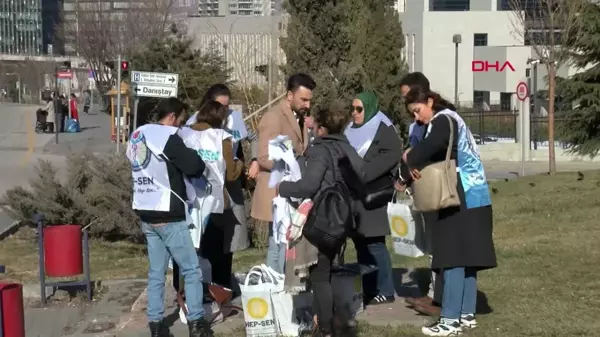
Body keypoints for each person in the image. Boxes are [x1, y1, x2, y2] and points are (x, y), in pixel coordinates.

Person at [401, 88, 497, 336]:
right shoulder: (455, 118)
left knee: (452, 255)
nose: (417, 118)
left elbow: (431, 146)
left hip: (458, 194)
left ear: (430, 102)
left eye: (418, 111)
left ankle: (450, 319)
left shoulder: (441, 120)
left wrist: (408, 159)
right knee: (467, 256)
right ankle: (466, 314)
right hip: (477, 193)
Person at [126, 97, 214, 337]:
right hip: (169, 212)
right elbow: (194, 166)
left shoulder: (138, 134)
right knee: (191, 270)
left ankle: (156, 325)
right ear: (173, 117)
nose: (181, 127)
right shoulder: (167, 138)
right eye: (181, 121)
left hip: (146, 211)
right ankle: (197, 324)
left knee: (156, 272)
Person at [276, 101, 364, 337]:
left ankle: (325, 328)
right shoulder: (349, 149)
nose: (312, 127)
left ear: (323, 128)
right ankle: (330, 322)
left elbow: (309, 184)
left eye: (315, 125)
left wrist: (282, 187)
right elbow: (361, 179)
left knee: (320, 275)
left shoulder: (320, 150)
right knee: (331, 270)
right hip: (344, 219)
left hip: (323, 219)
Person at [252, 73, 315, 274]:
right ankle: (275, 287)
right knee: (278, 244)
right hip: (277, 191)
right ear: (290, 95)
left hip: (291, 190)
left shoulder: (300, 118)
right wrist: (292, 168)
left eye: (309, 100)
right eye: (303, 99)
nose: (307, 104)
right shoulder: (274, 116)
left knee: (284, 244)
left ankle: (281, 286)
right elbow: (264, 157)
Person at [344, 91, 401, 306]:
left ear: (369, 108)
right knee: (360, 243)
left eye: (359, 109)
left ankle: (385, 290)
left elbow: (392, 153)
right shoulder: (350, 129)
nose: (355, 113)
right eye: (353, 109)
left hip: (373, 194)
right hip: (354, 195)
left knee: (375, 242)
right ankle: (369, 288)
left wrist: (365, 171)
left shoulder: (382, 127)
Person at [399, 71, 448, 316]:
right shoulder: (417, 125)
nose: (412, 112)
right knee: (432, 245)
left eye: (412, 102)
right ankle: (433, 293)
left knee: (441, 245)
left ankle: (438, 296)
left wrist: (411, 159)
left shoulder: (441, 121)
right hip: (425, 186)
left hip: (440, 187)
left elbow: (423, 151)